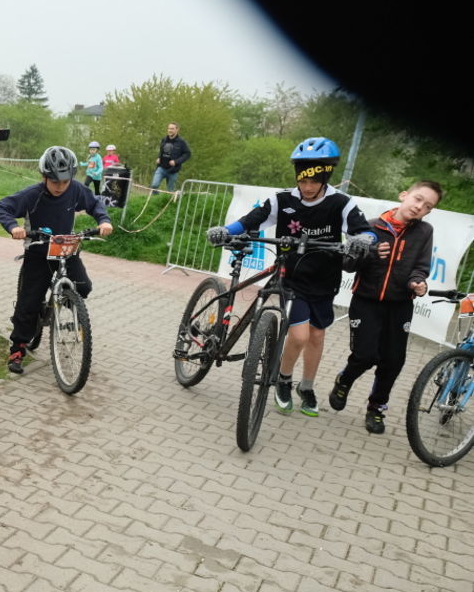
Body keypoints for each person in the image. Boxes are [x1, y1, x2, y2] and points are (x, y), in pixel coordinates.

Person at [207, 137, 377, 416]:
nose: (307, 187)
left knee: (317, 335)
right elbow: (253, 219)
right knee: (298, 336)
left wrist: (363, 240)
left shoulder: (341, 203)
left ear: (325, 176)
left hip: (324, 280)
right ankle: (284, 380)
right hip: (292, 277)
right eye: (302, 181)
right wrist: (226, 230)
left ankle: (306, 387)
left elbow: (364, 230)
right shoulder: (282, 200)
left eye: (313, 181)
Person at [330, 180, 443, 433]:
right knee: (365, 356)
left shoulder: (425, 232)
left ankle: (377, 407)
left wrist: (418, 282)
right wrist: (368, 254)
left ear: (428, 212)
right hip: (366, 301)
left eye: (427, 206)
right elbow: (347, 264)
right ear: (405, 195)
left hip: (400, 305)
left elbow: (422, 267)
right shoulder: (369, 227)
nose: (419, 207)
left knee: (393, 360)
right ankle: (343, 381)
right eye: (417, 199)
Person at [0, 146, 114, 375]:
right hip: (39, 252)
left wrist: (103, 220)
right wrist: (13, 227)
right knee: (28, 303)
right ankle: (18, 347)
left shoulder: (76, 190)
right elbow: (2, 207)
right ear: (44, 177)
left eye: (64, 182)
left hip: (66, 250)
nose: (60, 187)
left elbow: (95, 204)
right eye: (54, 182)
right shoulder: (33, 194)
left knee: (83, 286)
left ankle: (61, 305)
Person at [151, 122, 190, 193]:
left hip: (173, 171)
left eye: (172, 129)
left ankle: (168, 202)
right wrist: (159, 158)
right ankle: (156, 200)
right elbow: (161, 151)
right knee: (154, 186)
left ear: (177, 130)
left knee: (170, 192)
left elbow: (187, 154)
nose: (170, 130)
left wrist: (176, 162)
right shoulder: (164, 139)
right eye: (169, 128)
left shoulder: (181, 142)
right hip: (161, 168)